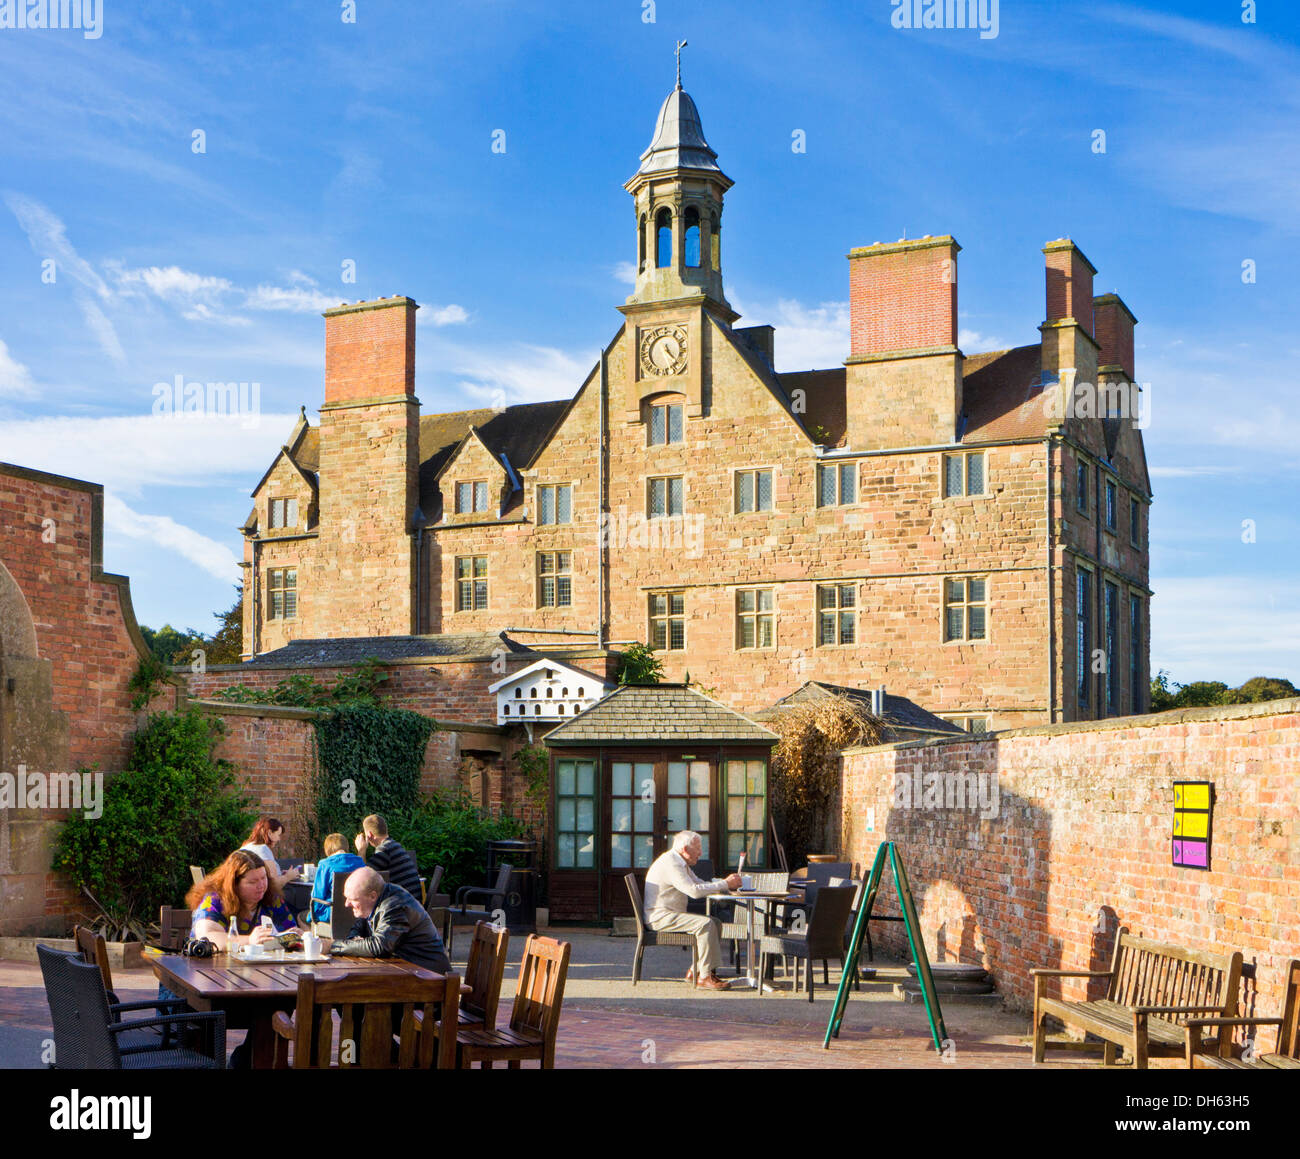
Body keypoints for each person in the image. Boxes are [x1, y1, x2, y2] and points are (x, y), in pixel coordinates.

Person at [643, 830, 741, 991]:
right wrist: (724, 884)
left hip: (670, 914)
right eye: (698, 848)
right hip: (660, 917)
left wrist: (724, 886)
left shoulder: (679, 862)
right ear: (685, 849)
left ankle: (697, 970)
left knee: (715, 923)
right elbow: (694, 891)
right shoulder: (671, 863)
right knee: (706, 924)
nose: (701, 853)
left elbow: (699, 883)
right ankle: (704, 977)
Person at [329, 867, 450, 975]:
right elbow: (359, 928)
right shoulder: (375, 903)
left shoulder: (394, 904)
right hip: (408, 970)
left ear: (372, 896)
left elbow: (380, 946)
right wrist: (354, 940)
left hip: (430, 977)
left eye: (353, 899)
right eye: (346, 898)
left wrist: (332, 946)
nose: (346, 904)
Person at [187, 849, 300, 950]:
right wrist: (250, 940)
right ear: (233, 884)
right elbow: (207, 936)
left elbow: (289, 930)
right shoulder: (215, 901)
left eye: (263, 878)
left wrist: (294, 937)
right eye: (253, 882)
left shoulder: (271, 899)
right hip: (213, 970)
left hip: (263, 970)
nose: (261, 886)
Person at [354, 814, 421, 897]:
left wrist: (361, 850)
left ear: (369, 834)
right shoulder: (395, 845)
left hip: (402, 905)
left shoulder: (384, 850)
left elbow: (364, 877)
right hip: (413, 903)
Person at [310, 832, 365, 925]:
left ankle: (315, 939)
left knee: (301, 917)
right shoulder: (359, 861)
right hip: (356, 910)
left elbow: (317, 894)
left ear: (328, 850)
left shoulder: (325, 864)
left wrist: (312, 915)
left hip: (332, 912)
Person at [240, 816, 300, 890]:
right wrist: (288, 877)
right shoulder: (262, 849)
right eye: (278, 835)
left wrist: (281, 874)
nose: (279, 839)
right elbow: (274, 885)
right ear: (269, 833)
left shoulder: (246, 846)